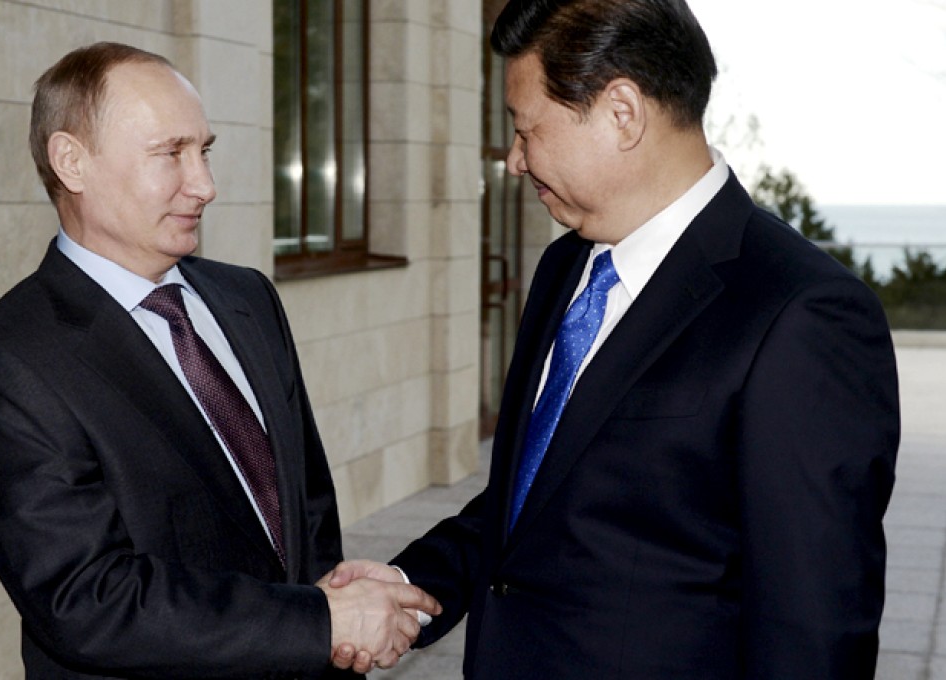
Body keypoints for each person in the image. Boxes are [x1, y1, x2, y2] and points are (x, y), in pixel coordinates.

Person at [327, 0, 900, 677]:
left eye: (526, 129)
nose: (514, 160)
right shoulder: (564, 266)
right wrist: (409, 584)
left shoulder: (802, 313)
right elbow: (536, 500)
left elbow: (813, 630)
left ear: (622, 112)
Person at [0, 41, 438, 679]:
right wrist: (319, 622)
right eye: (170, 153)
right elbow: (88, 601)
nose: (204, 185)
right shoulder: (5, 366)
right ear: (72, 162)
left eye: (203, 151)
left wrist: (335, 619)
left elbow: (306, 503)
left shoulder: (247, 297)